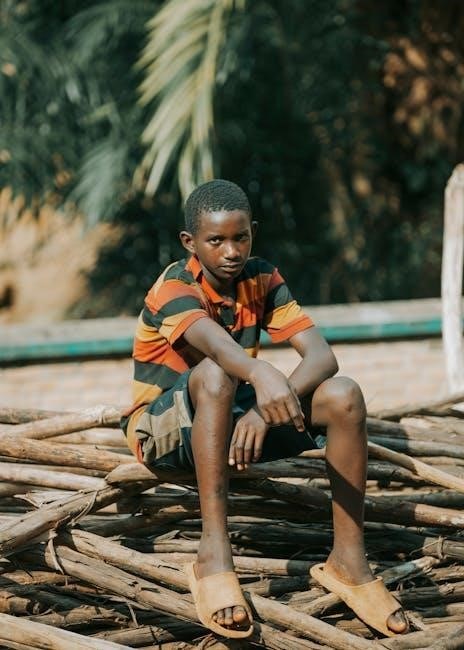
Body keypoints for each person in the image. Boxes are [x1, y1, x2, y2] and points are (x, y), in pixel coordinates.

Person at [121, 179, 408, 639]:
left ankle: (349, 561)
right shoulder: (173, 287)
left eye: (241, 238)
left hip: (230, 418)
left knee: (344, 395)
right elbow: (218, 348)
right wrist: (260, 374)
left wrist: (260, 411)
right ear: (190, 242)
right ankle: (214, 554)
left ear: (253, 232)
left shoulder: (262, 278)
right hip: (162, 432)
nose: (231, 251)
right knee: (217, 373)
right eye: (216, 241)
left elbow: (321, 356)